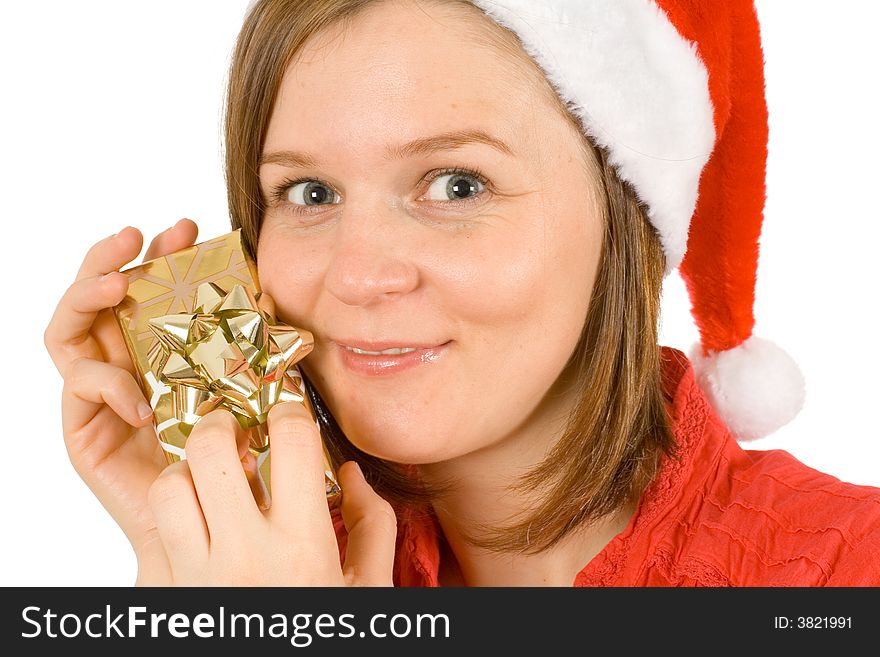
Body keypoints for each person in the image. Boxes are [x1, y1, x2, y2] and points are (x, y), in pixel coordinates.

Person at [43, 0, 880, 586]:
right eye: (309, 194)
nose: (361, 275)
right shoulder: (272, 569)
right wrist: (181, 546)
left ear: (628, 217)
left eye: (456, 184)